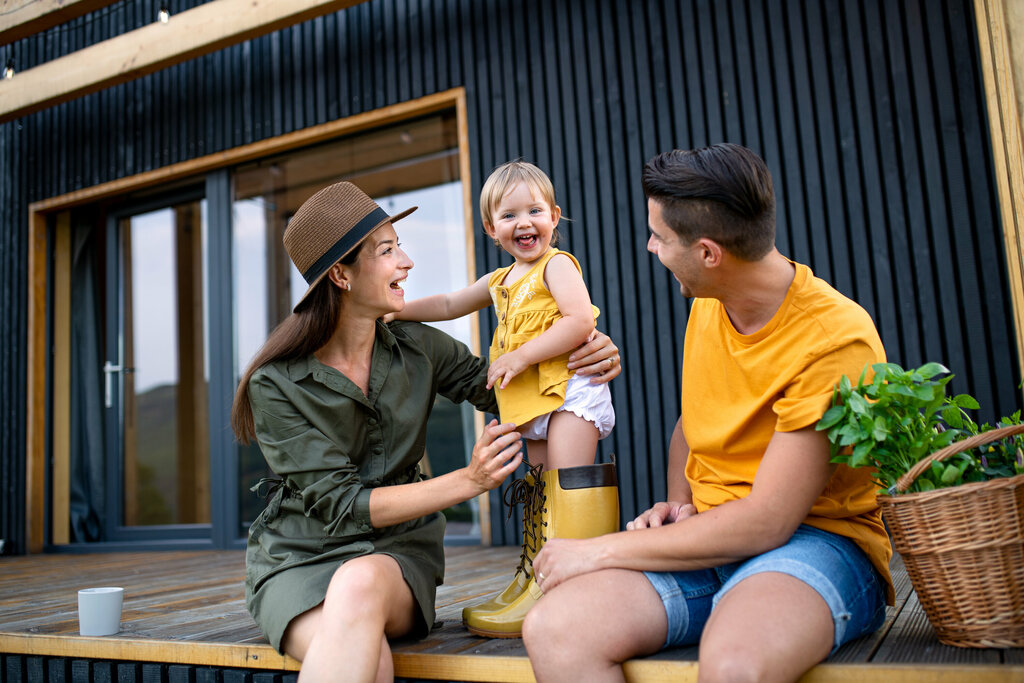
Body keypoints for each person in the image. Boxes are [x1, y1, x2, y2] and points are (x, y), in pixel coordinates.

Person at [523, 144, 894, 683]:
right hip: (712, 538)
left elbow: (768, 521)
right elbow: (692, 424)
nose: (650, 246)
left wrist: (601, 551)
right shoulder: (710, 303)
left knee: (734, 665)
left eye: (659, 236)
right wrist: (680, 504)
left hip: (817, 542)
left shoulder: (834, 341)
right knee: (555, 628)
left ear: (707, 253)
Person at [229, 181, 621, 682]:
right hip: (298, 559)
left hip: (393, 556)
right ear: (341, 275)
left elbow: (508, 391)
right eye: (387, 251)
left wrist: (583, 358)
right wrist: (469, 481)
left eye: (400, 246)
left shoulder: (420, 346)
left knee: (358, 585)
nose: (408, 262)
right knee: (368, 658)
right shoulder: (274, 383)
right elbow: (341, 504)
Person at [392, 161, 619, 638]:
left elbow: (579, 320)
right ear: (491, 229)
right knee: (539, 491)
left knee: (566, 485)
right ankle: (537, 574)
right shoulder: (500, 280)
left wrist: (520, 356)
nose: (524, 223)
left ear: (554, 216)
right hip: (532, 401)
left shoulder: (557, 266)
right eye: (509, 215)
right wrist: (395, 311)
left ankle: (576, 586)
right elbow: (450, 304)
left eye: (534, 210)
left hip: (569, 389)